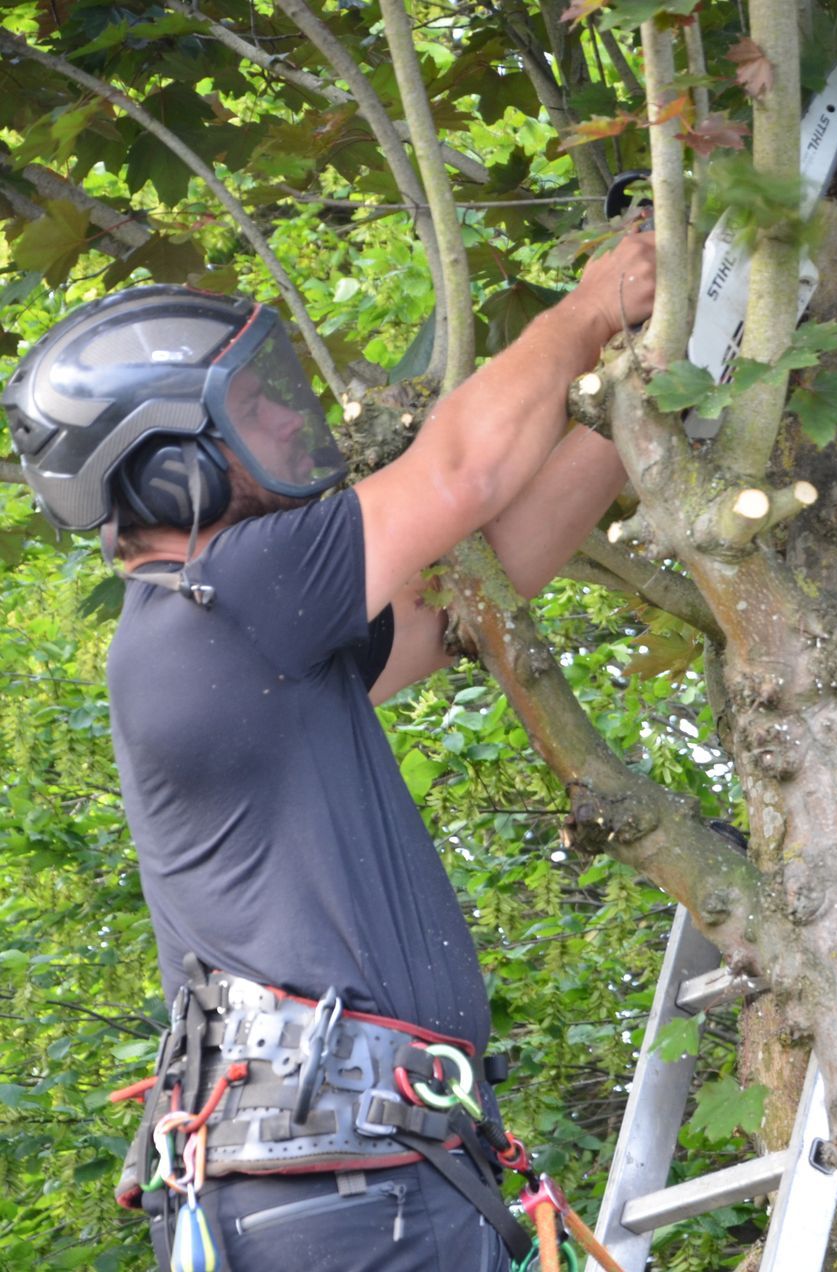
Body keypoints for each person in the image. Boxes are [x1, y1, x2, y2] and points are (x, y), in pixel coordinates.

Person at [2, 229, 657, 1270]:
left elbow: (459, 611)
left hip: (351, 1188)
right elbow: (462, 471)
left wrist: (641, 412)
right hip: (344, 1199)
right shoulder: (238, 588)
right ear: (168, 465)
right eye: (251, 407)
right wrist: (590, 313)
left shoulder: (221, 631)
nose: (285, 419)